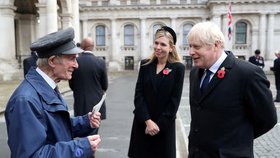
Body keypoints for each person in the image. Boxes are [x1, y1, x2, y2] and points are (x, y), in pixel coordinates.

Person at [5, 27, 101, 158]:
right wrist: (79, 148)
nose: (76, 65)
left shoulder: (48, 86)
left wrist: (85, 122)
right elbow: (32, 155)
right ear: (52, 61)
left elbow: (56, 127)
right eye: (72, 58)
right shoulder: (25, 100)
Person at [187, 21, 277, 158]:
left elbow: (268, 119)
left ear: (216, 45)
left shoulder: (248, 74)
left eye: (196, 47)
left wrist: (237, 142)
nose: (190, 52)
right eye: (190, 46)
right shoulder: (195, 73)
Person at [128, 26, 185, 158]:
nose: (158, 47)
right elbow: (139, 95)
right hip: (142, 124)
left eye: (163, 44)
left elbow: (174, 101)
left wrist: (157, 126)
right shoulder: (145, 65)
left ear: (171, 48)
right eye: (156, 43)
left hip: (163, 128)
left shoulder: (178, 68)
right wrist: (148, 121)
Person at [69, 37, 108, 125]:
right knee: (94, 128)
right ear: (93, 47)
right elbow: (105, 85)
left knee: (80, 127)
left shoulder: (76, 62)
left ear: (82, 47)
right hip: (96, 102)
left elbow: (71, 84)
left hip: (80, 101)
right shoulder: (100, 62)